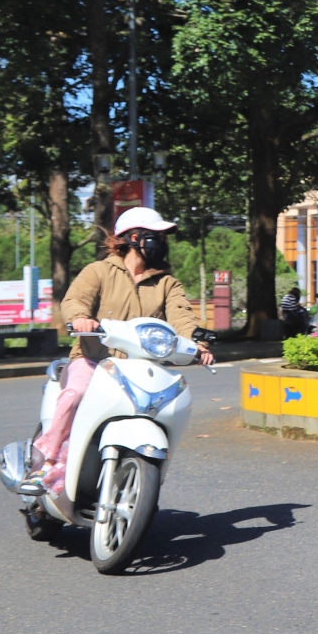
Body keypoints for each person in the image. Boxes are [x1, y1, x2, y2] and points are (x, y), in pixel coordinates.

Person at [32, 207, 212, 493]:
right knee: (76, 392)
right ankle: (46, 459)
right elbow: (75, 299)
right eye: (156, 236)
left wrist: (197, 342)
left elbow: (182, 316)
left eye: (163, 237)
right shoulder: (99, 271)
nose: (162, 243)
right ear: (132, 237)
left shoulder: (166, 282)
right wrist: (80, 317)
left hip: (138, 366)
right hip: (93, 359)